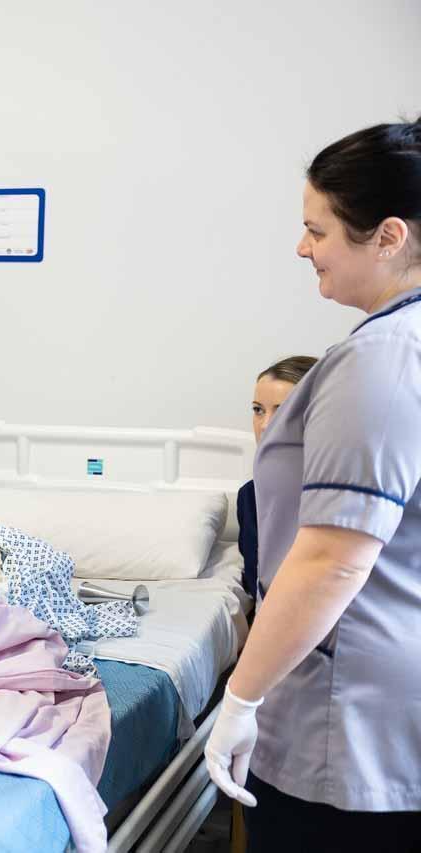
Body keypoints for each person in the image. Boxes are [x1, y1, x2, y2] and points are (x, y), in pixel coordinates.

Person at [205, 120, 421, 849]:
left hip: (350, 715)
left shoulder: (384, 357)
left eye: (317, 230)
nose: (303, 248)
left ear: (387, 237)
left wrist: (241, 696)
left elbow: (332, 557)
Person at [237, 356, 316, 598]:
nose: (265, 425)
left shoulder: (344, 492)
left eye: (283, 411)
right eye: (258, 410)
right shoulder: (250, 496)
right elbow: (257, 580)